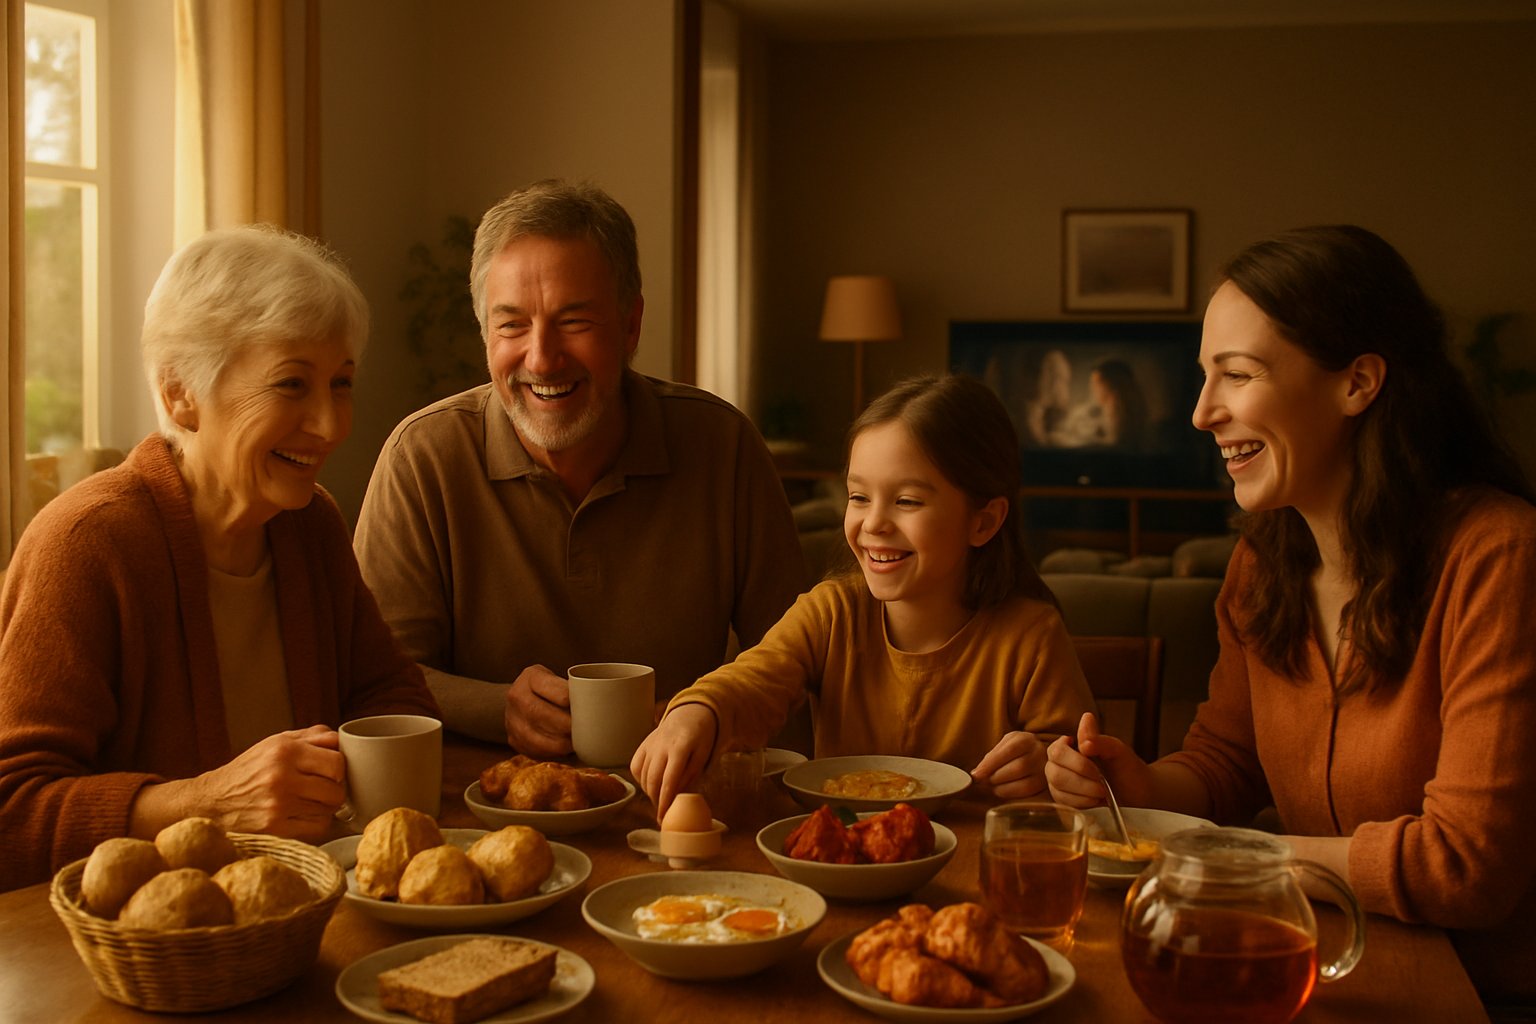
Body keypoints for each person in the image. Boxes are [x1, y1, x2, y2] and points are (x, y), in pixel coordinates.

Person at [1044, 225, 1536, 1005]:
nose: (1202, 413)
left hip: (1474, 996)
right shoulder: (1259, 568)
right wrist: (1141, 786)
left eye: (1237, 375)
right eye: (1205, 377)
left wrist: (1245, 855)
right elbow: (1226, 765)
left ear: (1358, 383)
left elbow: (1465, 867)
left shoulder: (1497, 555)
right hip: (1311, 964)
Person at [0, 226, 438, 890]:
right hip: (134, 959)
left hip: (296, 917)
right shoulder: (88, 542)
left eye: (341, 383)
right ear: (182, 393)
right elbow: (12, 815)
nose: (329, 424)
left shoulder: (308, 524)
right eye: (292, 384)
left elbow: (389, 695)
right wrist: (204, 803)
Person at [353, 180, 804, 756]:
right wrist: (497, 710)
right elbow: (377, 681)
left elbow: (796, 658)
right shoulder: (422, 459)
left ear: (631, 325)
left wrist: (711, 709)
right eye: (512, 324)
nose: (542, 358)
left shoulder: (724, 446)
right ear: (484, 332)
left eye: (574, 321)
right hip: (477, 817)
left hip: (677, 806)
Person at [633, 373, 1097, 817]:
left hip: (976, 872)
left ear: (984, 522)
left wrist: (1045, 765)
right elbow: (752, 680)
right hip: (845, 861)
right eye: (858, 497)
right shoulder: (831, 612)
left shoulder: (1031, 636)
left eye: (907, 500)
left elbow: (1076, 765)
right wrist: (698, 712)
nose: (873, 523)